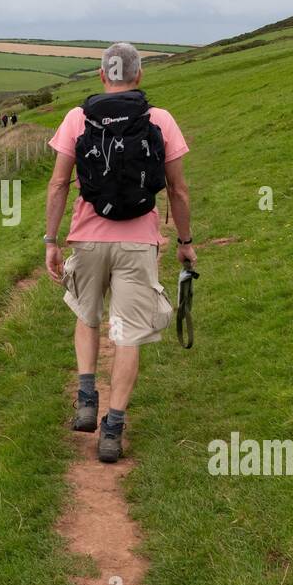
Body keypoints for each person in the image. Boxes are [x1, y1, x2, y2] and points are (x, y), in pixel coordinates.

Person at [43, 43, 196, 462]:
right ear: (139, 75)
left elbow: (58, 184)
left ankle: (87, 395)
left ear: (101, 74)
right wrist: (184, 243)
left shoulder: (78, 117)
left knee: (86, 317)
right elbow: (179, 190)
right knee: (128, 334)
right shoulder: (159, 119)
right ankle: (112, 429)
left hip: (88, 239)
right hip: (138, 242)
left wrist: (51, 241)